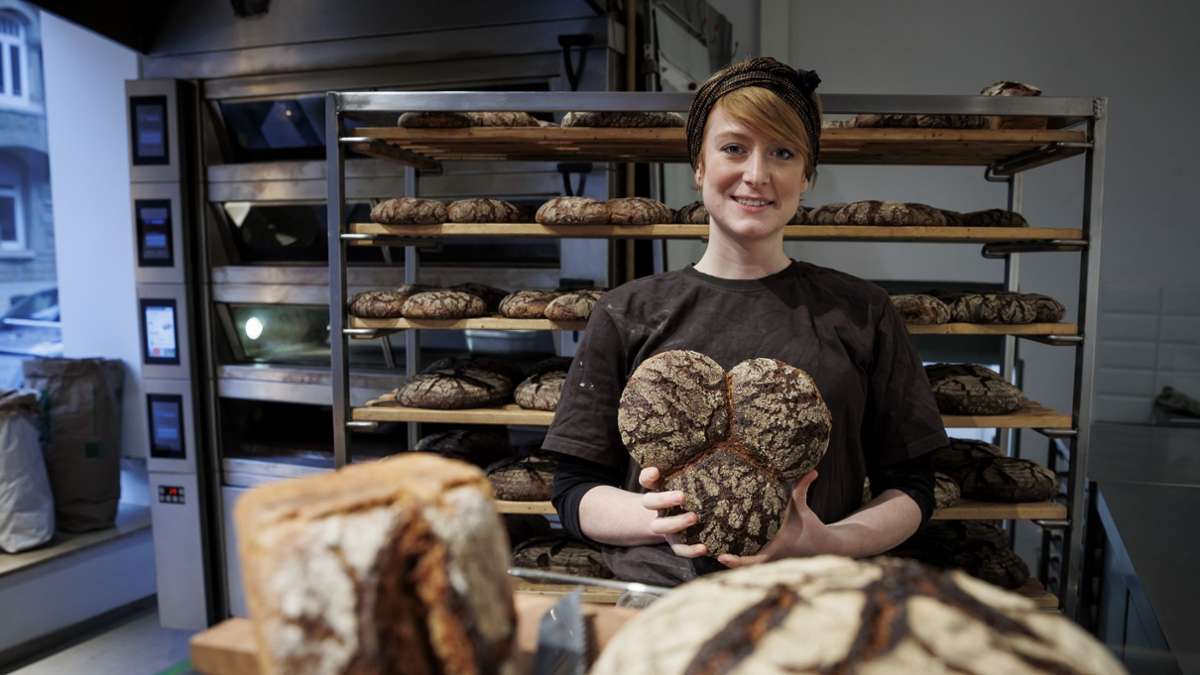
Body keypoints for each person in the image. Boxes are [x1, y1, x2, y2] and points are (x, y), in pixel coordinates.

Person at [542, 57, 948, 585]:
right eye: (734, 148)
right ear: (700, 166)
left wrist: (827, 541)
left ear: (806, 176)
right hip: (663, 602)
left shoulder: (862, 311)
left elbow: (913, 486)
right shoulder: (627, 311)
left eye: (782, 152)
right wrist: (659, 520)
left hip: (813, 596)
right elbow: (574, 488)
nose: (757, 174)